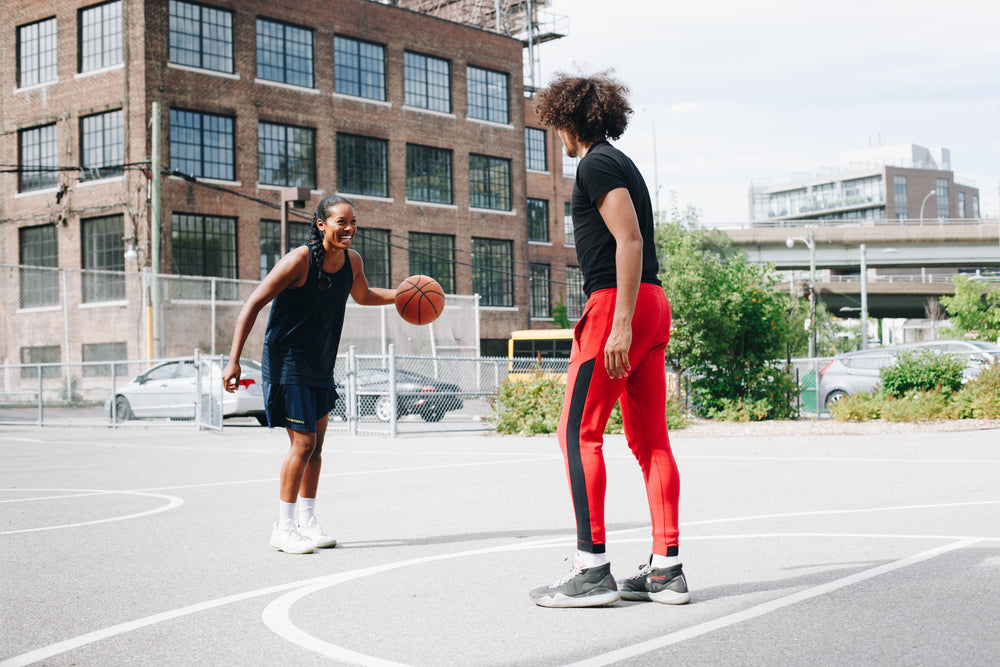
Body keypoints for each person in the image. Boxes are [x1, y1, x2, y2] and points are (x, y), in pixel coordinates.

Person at [528, 72, 690, 607]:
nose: (556, 135)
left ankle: (591, 568)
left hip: (620, 305)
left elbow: (629, 238)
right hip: (652, 303)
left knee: (577, 433)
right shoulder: (622, 163)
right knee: (649, 442)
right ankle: (666, 570)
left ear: (568, 119)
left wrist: (619, 322)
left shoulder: (595, 162)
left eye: (555, 125)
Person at [222, 194, 395, 554]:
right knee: (303, 444)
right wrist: (233, 360)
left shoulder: (352, 261)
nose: (349, 229)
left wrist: (404, 294)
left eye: (353, 222)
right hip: (287, 362)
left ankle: (307, 522)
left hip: (320, 362)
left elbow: (362, 296)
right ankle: (283, 528)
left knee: (316, 447)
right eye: (341, 222)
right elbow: (253, 303)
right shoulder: (299, 260)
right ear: (321, 225)